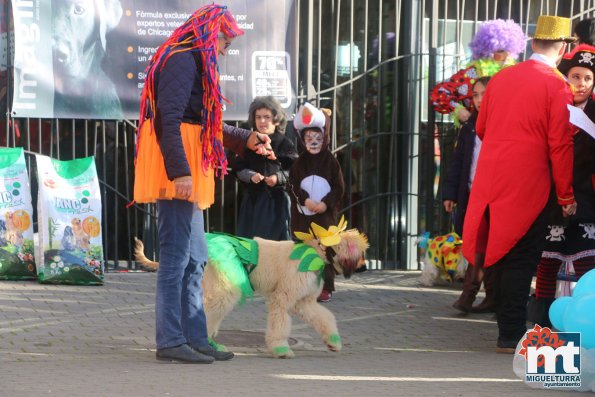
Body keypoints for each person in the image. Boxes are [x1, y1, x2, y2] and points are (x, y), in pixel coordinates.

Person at [133, 4, 274, 364]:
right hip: (179, 171)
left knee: (196, 258)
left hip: (188, 168)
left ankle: (196, 337)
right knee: (177, 259)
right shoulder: (181, 59)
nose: (226, 50)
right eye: (224, 42)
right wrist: (179, 172)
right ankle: (170, 340)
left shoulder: (192, 59)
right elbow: (169, 121)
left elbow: (204, 124)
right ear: (210, 35)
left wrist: (247, 138)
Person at [461, 15, 577, 354]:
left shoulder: (501, 79)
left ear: (533, 43)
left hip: (492, 177)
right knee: (522, 257)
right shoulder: (557, 85)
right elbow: (560, 144)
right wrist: (566, 192)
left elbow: (482, 128)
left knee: (503, 252)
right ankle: (510, 334)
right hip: (528, 181)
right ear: (563, 48)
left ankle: (508, 330)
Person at [528, 44, 595, 328]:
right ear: (565, 77)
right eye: (575, 76)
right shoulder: (552, 105)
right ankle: (542, 328)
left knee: (587, 265)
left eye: (587, 78)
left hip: (587, 199)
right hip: (552, 197)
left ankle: (587, 324)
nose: (581, 83)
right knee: (547, 264)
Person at [443, 76, 496, 314]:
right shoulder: (469, 127)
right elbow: (457, 164)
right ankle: (474, 295)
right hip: (473, 193)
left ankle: (482, 296)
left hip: (495, 195)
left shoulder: (501, 123)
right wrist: (450, 194)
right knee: (476, 245)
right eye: (475, 95)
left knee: (491, 247)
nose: (478, 99)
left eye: (484, 94)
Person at [288, 103, 345, 303]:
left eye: (317, 138)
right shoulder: (298, 163)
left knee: (325, 251)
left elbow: (339, 188)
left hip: (324, 216)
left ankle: (326, 286)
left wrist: (325, 204)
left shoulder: (331, 162)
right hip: (302, 217)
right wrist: (305, 199)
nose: (313, 142)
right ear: (302, 141)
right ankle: (304, 285)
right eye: (308, 139)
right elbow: (292, 186)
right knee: (303, 249)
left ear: (324, 138)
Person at [430, 19, 527, 124]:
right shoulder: (473, 73)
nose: (507, 56)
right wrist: (458, 109)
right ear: (488, 52)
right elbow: (438, 93)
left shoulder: (518, 73)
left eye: (510, 51)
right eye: (500, 51)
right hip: (477, 134)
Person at [232, 96, 298, 240]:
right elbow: (237, 168)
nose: (262, 121)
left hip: (277, 204)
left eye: (267, 117)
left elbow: (294, 170)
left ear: (276, 119)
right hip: (252, 204)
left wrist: (278, 178)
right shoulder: (249, 142)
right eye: (258, 117)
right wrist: (250, 175)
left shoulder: (284, 142)